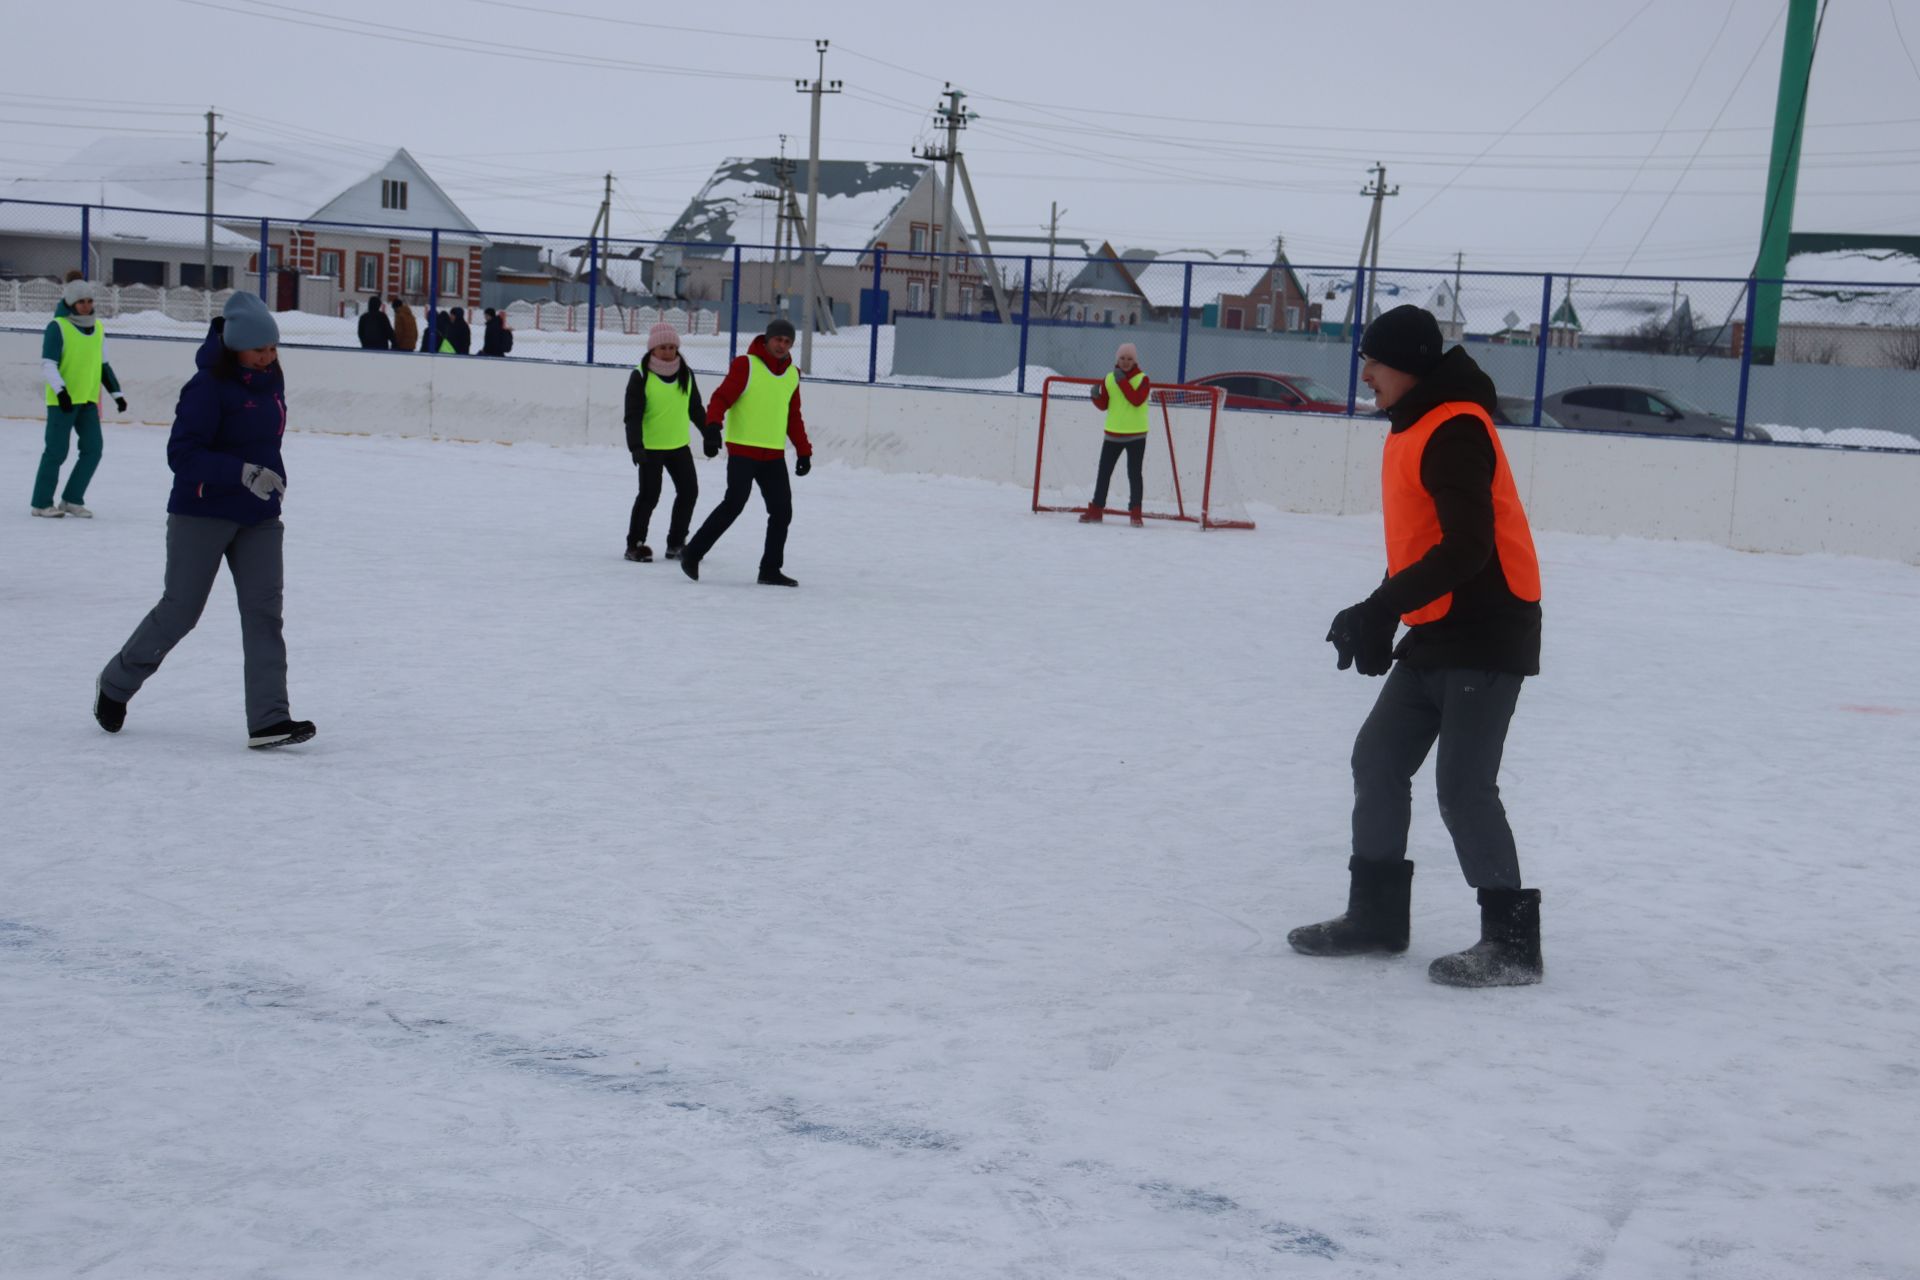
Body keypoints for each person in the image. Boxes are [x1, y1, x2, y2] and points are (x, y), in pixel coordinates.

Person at [1289, 304, 1544, 987]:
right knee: (1377, 758)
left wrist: (1381, 606)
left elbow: (1467, 548)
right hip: (1440, 624)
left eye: (1374, 360)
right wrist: (1385, 616)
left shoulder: (1457, 429)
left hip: (1488, 627)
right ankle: (1375, 917)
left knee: (1462, 788)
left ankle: (1512, 943)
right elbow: (1421, 546)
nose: (1365, 373)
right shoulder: (1415, 425)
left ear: (1408, 366)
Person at [94, 292, 316, 751]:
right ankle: (116, 683)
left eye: (273, 348)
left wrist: (270, 479)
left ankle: (269, 719)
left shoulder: (270, 380)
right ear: (235, 346)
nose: (268, 357)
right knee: (180, 611)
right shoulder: (207, 387)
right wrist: (240, 472)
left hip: (258, 515)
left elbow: (265, 441)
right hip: (202, 512)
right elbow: (182, 454)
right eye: (259, 349)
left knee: (264, 614)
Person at [678, 316, 812, 586]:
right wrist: (713, 427)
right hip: (743, 452)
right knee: (734, 503)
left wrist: (803, 451)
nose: (782, 345)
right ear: (767, 338)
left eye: (787, 341)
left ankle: (770, 570)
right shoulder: (746, 365)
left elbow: (792, 416)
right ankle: (692, 553)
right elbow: (721, 397)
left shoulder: (792, 375)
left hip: (773, 455)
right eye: (778, 339)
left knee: (782, 511)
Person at [32, 279, 127, 518]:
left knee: (93, 449)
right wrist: (61, 391)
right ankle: (41, 503)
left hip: (86, 401)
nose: (85, 306)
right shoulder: (58, 327)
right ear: (70, 304)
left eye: (89, 301)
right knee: (56, 452)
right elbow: (48, 364)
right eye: (80, 302)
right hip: (62, 402)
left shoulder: (98, 329)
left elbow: (103, 365)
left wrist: (117, 395)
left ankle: (72, 499)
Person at [622, 322, 707, 562]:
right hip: (650, 448)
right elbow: (633, 415)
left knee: (689, 491)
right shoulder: (640, 376)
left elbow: (695, 409)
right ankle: (635, 544)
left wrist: (709, 432)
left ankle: (676, 543)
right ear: (652, 349)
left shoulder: (685, 374)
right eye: (663, 347)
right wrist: (636, 446)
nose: (668, 352)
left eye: (672, 347)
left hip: (679, 446)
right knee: (649, 495)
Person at [1079, 341, 1151, 527]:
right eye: (1122, 358)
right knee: (1104, 472)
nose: (1125, 362)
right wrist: (1095, 396)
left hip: (1136, 435)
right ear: (1117, 359)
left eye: (1129, 359)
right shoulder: (1109, 378)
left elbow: (1136, 400)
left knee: (1134, 474)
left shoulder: (1143, 379)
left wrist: (1123, 382)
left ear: (1135, 361)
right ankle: (1096, 509)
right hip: (1112, 434)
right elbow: (1104, 405)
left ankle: (1136, 513)